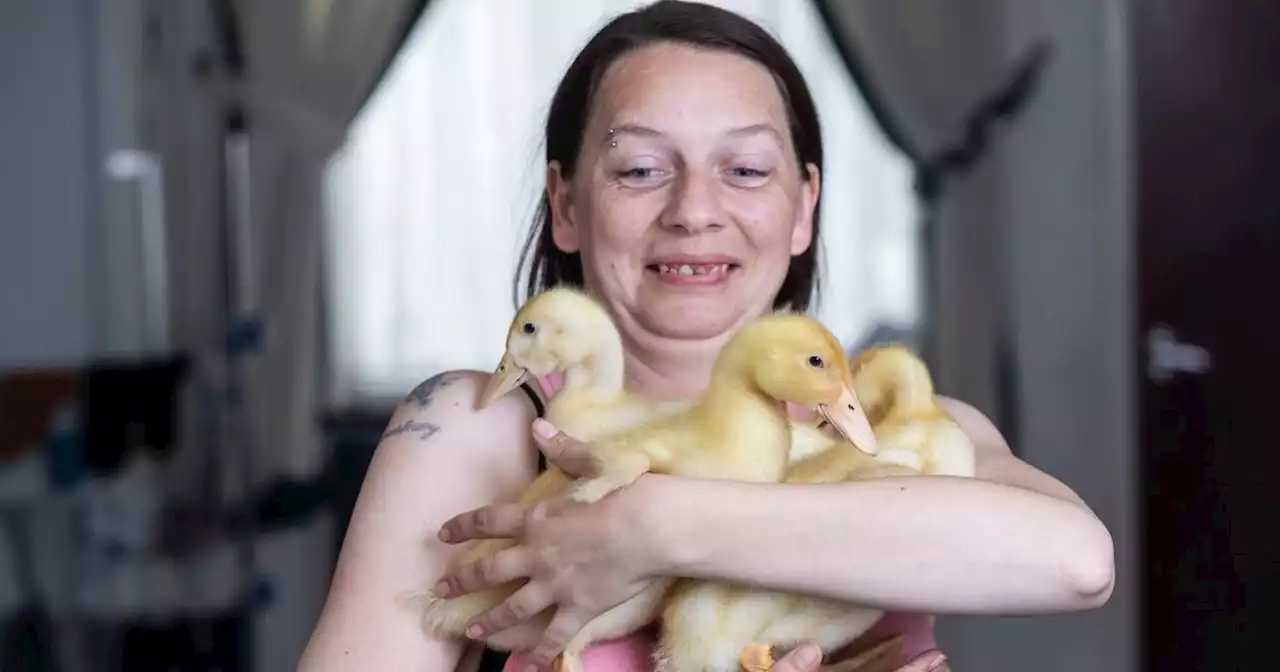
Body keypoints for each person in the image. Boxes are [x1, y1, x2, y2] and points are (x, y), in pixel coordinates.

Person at [298, 2, 1115, 671]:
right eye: (640, 169)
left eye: (747, 170)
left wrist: (651, 527)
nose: (694, 210)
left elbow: (1078, 562)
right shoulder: (478, 427)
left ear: (803, 207)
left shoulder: (897, 423)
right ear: (568, 203)